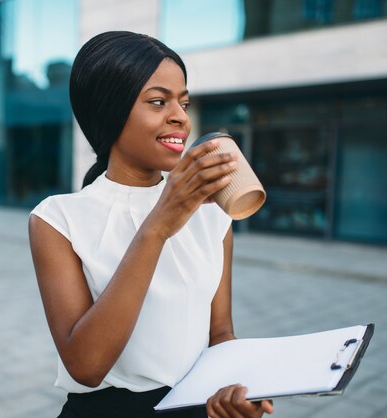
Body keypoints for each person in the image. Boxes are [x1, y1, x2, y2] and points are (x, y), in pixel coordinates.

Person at [29, 31, 274, 418]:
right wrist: (157, 227)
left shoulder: (213, 214)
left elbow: (221, 333)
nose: (180, 115)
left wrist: (233, 391)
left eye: (184, 101)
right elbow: (86, 367)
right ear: (110, 111)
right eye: (158, 101)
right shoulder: (57, 219)